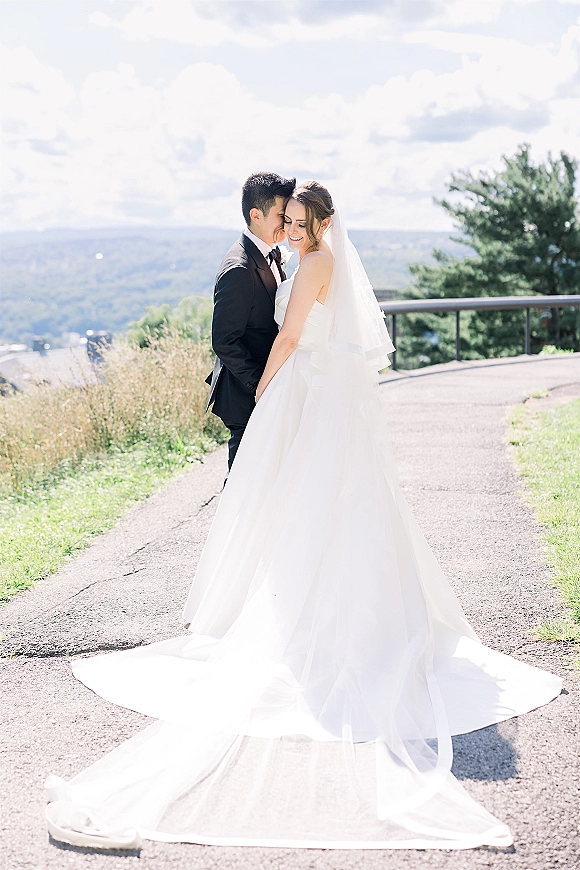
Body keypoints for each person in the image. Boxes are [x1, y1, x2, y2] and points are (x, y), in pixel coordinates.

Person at [45, 182, 562, 852]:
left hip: (307, 389)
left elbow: (291, 335)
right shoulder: (315, 258)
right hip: (321, 391)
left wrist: (264, 388)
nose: (288, 229)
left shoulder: (315, 261)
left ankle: (320, 616)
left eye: (296, 221)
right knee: (323, 505)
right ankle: (312, 607)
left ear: (318, 221)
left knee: (313, 505)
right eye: (283, 220)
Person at [206, 171, 296, 471]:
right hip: (248, 398)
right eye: (282, 216)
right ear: (256, 215)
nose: (286, 224)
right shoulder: (239, 269)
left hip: (270, 390)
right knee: (242, 484)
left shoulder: (269, 253)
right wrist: (261, 385)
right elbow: (223, 340)